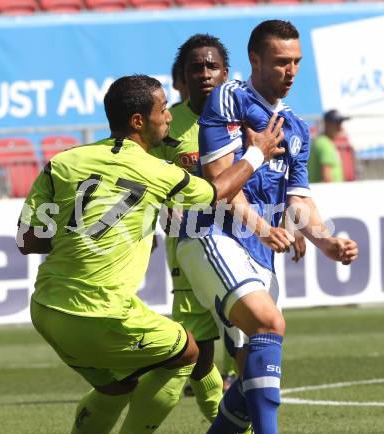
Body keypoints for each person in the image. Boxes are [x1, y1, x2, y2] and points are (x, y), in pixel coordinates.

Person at [15, 74, 285, 434]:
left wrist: (84, 236)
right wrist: (257, 152)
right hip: (101, 312)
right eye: (162, 110)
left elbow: (27, 240)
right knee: (187, 351)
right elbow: (217, 192)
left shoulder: (64, 162)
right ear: (138, 121)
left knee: (116, 387)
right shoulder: (155, 170)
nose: (169, 117)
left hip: (46, 310)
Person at [176, 20, 359, 434]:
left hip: (257, 251)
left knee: (255, 371)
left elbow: (299, 200)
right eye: (280, 62)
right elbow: (220, 181)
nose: (290, 71)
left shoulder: (296, 126)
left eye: (296, 62)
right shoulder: (230, 98)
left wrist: (326, 240)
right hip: (212, 234)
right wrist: (261, 226)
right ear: (254, 60)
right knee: (269, 323)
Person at [151, 33, 232, 423]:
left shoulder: (242, 119)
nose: (204, 73)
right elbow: (142, 178)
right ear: (181, 78)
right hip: (188, 243)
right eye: (195, 68)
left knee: (252, 335)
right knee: (195, 348)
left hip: (241, 238)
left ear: (225, 72)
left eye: (211, 66)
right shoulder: (166, 128)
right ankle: (224, 418)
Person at [308, 109, 350, 183]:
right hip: (329, 192)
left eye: (340, 123)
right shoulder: (324, 144)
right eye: (336, 123)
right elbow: (327, 176)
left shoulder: (322, 141)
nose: (339, 127)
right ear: (326, 124)